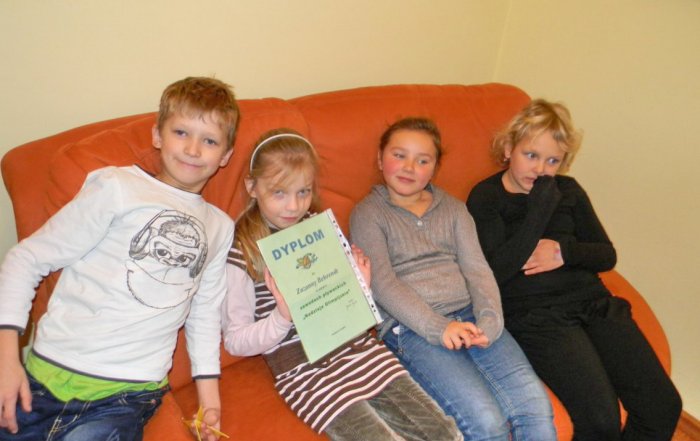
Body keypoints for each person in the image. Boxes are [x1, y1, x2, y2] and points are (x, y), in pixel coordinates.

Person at [0, 76, 239, 441]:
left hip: (128, 394)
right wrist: (7, 360)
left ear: (225, 156)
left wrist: (210, 402)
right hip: (45, 374)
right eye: (181, 133)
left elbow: (205, 314)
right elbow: (26, 259)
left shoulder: (219, 227)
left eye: (209, 141)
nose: (193, 149)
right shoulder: (118, 187)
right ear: (157, 135)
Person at [221, 129, 462, 441]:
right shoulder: (242, 251)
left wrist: (361, 286)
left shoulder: (318, 227)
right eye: (279, 193)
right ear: (252, 187)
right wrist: (282, 316)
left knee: (443, 432)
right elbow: (236, 342)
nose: (293, 206)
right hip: (306, 372)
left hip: (361, 351)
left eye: (304, 192)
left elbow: (351, 309)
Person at [466, 99, 682, 441]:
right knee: (601, 421)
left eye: (553, 161)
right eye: (531, 155)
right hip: (536, 316)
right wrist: (538, 210)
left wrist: (563, 252)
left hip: (592, 303)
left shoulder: (568, 190)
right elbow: (495, 270)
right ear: (508, 149)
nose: (541, 169)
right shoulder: (486, 197)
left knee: (663, 406)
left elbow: (606, 255)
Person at [349, 117, 556, 441]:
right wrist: (439, 327)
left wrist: (490, 321)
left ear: (435, 168)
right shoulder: (368, 214)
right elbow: (382, 284)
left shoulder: (455, 210)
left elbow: (478, 270)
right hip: (413, 329)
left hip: (472, 316)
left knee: (535, 408)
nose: (409, 167)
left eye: (423, 160)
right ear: (380, 158)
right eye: (399, 155)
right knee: (487, 423)